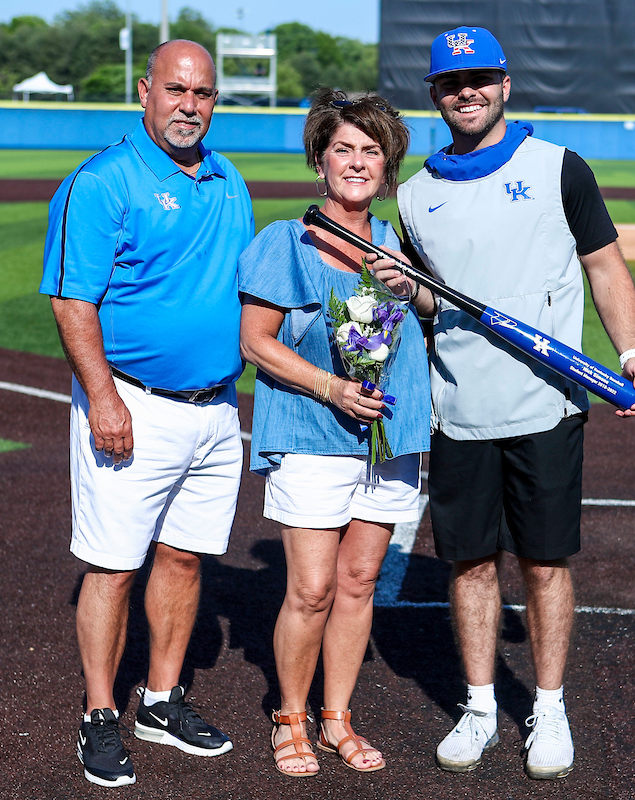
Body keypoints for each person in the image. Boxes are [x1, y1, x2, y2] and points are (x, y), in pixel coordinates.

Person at [396, 26, 635, 780]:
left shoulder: (558, 168)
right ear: (435, 95)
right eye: (451, 82)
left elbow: (604, 265)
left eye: (479, 78)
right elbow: (423, 303)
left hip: (548, 406)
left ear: (505, 84)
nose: (466, 91)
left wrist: (631, 353)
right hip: (460, 410)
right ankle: (479, 707)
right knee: (470, 564)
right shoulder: (415, 195)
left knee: (544, 563)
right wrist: (402, 292)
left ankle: (548, 705)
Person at [39, 40, 252, 788]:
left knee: (187, 555)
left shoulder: (229, 178)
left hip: (217, 408)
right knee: (113, 565)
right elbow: (72, 301)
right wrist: (102, 397)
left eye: (203, 93)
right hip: (130, 403)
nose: (190, 104)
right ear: (145, 90)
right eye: (176, 89)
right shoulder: (103, 181)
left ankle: (161, 699)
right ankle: (100, 714)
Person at [237, 89, 428, 777]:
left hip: (386, 436)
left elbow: (429, 315)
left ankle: (337, 717)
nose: (356, 162)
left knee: (359, 579)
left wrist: (408, 286)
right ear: (320, 163)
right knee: (312, 587)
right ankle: (290, 716)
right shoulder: (284, 241)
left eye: (371, 151)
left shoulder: (396, 248)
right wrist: (331, 387)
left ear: (387, 166)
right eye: (343, 148)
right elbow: (255, 344)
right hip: (311, 429)